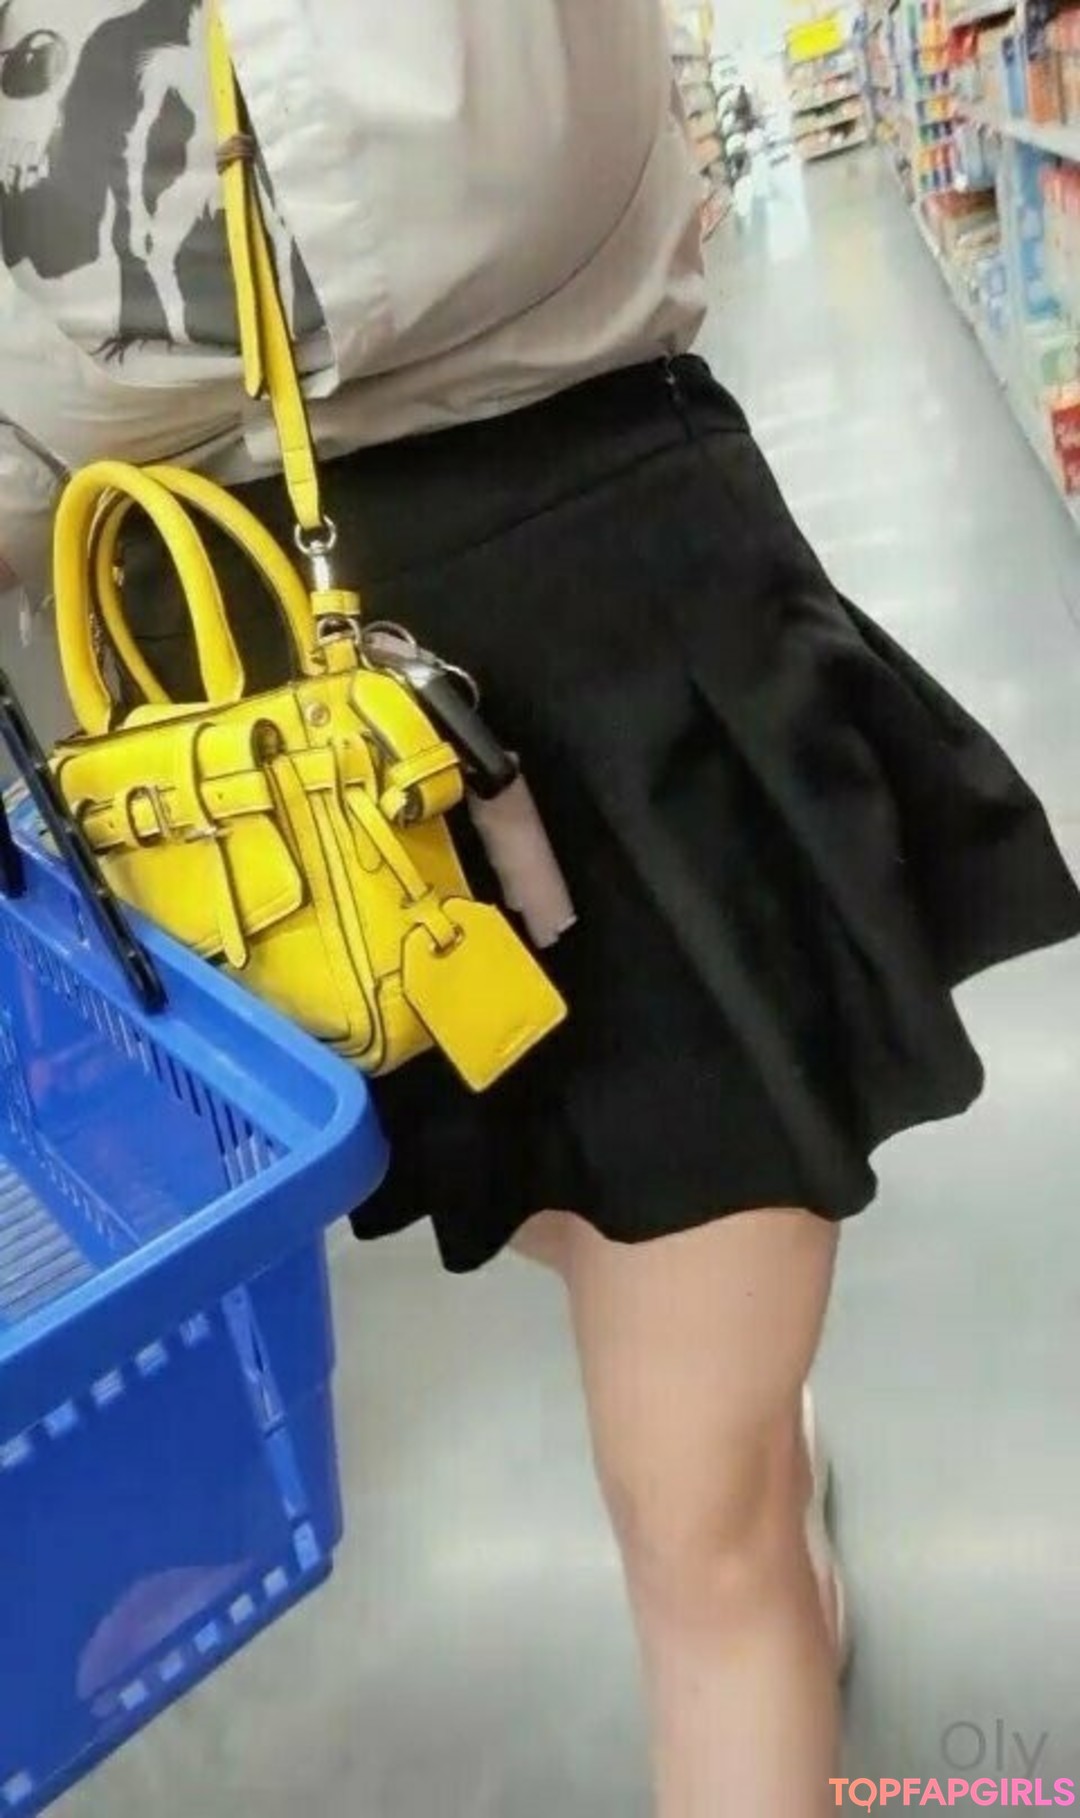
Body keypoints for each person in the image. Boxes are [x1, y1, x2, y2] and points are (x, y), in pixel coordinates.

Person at [2, 5, 1078, 1813]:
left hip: (567, 599)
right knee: (573, 1246)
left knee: (694, 1506)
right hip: (220, 717)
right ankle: (748, 1470)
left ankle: (743, 1492)